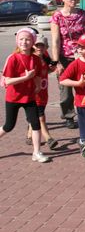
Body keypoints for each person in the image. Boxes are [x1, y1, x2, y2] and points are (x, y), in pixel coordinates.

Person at [0, 28, 49, 163]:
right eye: (21, 39)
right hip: (13, 98)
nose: (24, 42)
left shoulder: (36, 59)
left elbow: (37, 75)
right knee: (9, 126)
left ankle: (36, 152)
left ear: (32, 42)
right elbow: (7, 81)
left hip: (29, 98)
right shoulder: (13, 58)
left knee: (36, 124)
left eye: (27, 39)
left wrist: (38, 87)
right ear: (17, 41)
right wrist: (25, 78)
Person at [50, 0, 85, 129]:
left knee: (84, 85)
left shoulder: (82, 14)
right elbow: (55, 41)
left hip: (81, 57)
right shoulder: (57, 16)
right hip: (64, 57)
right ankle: (68, 116)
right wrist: (56, 62)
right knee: (65, 90)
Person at [59, 33, 85, 160]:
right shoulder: (75, 64)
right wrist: (78, 83)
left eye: (83, 47)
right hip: (82, 102)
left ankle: (83, 140)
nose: (79, 49)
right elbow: (63, 80)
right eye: (79, 46)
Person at [27, 34, 57, 150]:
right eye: (37, 45)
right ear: (32, 46)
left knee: (36, 115)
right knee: (41, 117)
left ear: (46, 47)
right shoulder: (30, 58)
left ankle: (29, 135)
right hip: (34, 92)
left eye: (42, 46)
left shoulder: (45, 57)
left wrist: (52, 68)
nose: (39, 48)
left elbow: (46, 71)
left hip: (43, 92)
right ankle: (49, 138)